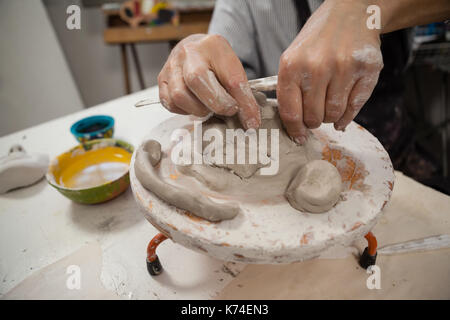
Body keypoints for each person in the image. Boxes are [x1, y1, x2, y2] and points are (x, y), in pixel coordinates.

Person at [157, 0, 450, 188]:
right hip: (286, 170)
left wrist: (361, 8)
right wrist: (195, 56)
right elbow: (216, 58)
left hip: (392, 153)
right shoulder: (247, 4)